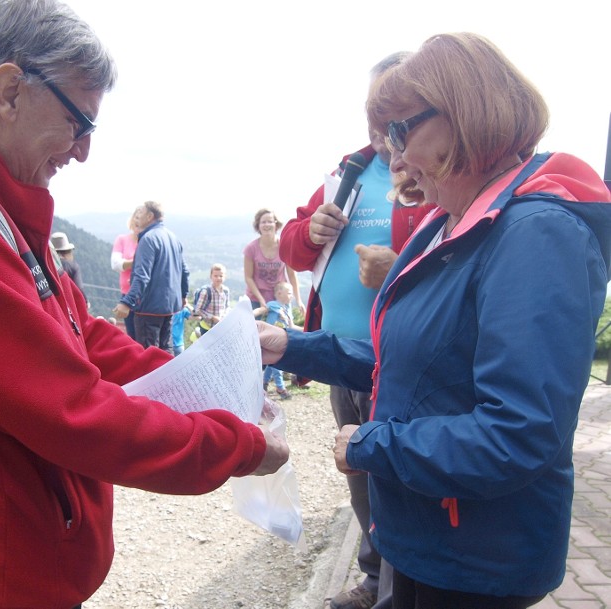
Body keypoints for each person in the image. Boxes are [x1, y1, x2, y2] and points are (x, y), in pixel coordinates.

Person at [0, 2, 289, 608]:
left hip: (14, 559)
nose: (82, 152)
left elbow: (83, 336)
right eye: (80, 122)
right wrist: (238, 447)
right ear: (9, 89)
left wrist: (219, 376)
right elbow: (71, 411)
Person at [259, 32, 611, 609]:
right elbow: (414, 359)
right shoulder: (446, 222)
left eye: (401, 132)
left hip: (477, 557)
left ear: (464, 115)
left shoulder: (536, 234)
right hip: (424, 532)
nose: (392, 157)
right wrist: (290, 347)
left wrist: (373, 443)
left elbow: (516, 432)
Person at [278, 52, 434, 609]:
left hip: (398, 358)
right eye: (373, 109)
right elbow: (292, 248)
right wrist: (308, 230)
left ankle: (396, 585)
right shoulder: (347, 172)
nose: (379, 124)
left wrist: (399, 270)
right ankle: (374, 578)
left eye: (391, 111)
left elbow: (456, 262)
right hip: (338, 355)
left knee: (397, 471)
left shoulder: (426, 173)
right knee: (358, 470)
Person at [113, 200, 189, 354]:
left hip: (149, 308)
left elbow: (141, 276)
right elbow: (184, 271)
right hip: (169, 307)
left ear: (149, 216)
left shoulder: (147, 239)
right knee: (165, 351)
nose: (137, 217)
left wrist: (127, 302)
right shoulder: (173, 237)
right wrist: (183, 295)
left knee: (148, 355)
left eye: (140, 213)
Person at [244, 209, 304, 318]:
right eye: (263, 222)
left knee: (283, 330)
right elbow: (248, 278)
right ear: (258, 226)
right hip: (256, 299)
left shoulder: (284, 245)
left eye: (270, 221)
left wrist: (298, 300)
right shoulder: (251, 249)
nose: (267, 225)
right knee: (256, 332)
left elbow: (292, 274)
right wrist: (261, 300)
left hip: (280, 297)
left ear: (276, 225)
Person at [253, 281, 298, 401]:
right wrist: (250, 314)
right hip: (270, 340)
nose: (292, 296)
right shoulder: (273, 304)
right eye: (289, 293)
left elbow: (291, 325)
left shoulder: (287, 308)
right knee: (278, 363)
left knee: (272, 363)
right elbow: (262, 310)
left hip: (283, 340)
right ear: (279, 293)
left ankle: (264, 382)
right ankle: (280, 388)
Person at [110, 207, 141, 338]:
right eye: (136, 218)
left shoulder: (148, 241)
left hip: (145, 296)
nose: (138, 222)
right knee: (132, 334)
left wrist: (129, 263)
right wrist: (138, 261)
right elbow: (116, 264)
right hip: (127, 294)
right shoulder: (122, 239)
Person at [193, 263, 231, 336]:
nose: (218, 278)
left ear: (225, 277)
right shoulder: (206, 291)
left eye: (221, 276)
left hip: (220, 327)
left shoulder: (226, 291)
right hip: (207, 328)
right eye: (215, 276)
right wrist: (212, 317)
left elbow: (227, 307)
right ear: (211, 276)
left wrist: (224, 316)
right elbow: (198, 310)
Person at [51, 230, 86, 300]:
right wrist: (86, 301)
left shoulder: (47, 265)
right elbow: (79, 289)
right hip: (70, 303)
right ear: (68, 252)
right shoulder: (73, 266)